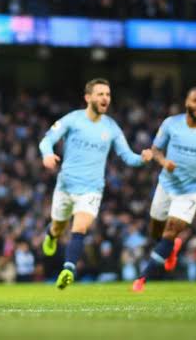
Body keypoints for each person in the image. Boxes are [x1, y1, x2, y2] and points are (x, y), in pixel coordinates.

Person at [38, 78, 153, 289]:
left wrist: (141, 159)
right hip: (66, 186)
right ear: (88, 97)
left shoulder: (111, 127)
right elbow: (47, 140)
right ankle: (52, 235)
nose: (105, 98)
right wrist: (47, 154)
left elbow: (127, 156)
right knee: (58, 226)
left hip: (92, 189)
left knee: (80, 227)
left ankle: (68, 269)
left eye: (108, 94)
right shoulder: (73, 119)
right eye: (100, 94)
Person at [132, 87, 196, 292]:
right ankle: (171, 248)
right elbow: (155, 150)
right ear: (187, 102)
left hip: (191, 190)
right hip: (166, 185)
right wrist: (164, 162)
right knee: (156, 231)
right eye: (195, 100)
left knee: (171, 229)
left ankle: (142, 279)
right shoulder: (171, 124)